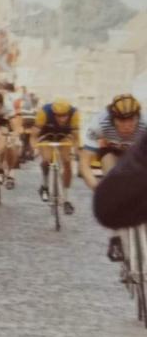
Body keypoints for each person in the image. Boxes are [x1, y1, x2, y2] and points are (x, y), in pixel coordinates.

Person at [79, 94, 147, 259]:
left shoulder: (145, 125)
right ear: (112, 119)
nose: (127, 126)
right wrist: (99, 188)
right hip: (111, 151)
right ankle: (116, 237)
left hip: (137, 153)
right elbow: (84, 164)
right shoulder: (99, 124)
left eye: (131, 120)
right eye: (121, 121)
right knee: (112, 175)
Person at [33, 98, 81, 214]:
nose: (61, 119)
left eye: (64, 116)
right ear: (53, 114)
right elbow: (33, 135)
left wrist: (77, 151)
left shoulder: (74, 114)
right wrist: (34, 148)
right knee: (47, 159)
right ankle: (44, 185)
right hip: (46, 136)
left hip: (64, 136)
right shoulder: (44, 113)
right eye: (58, 116)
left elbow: (76, 137)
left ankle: (66, 198)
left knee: (67, 162)